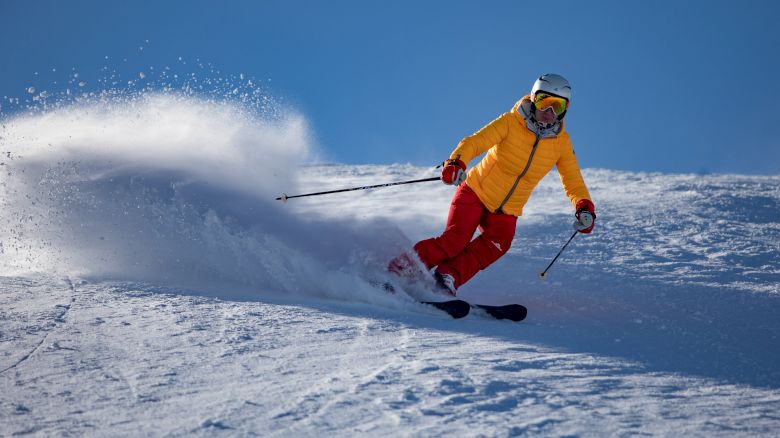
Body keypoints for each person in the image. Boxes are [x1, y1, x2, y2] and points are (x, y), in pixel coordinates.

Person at [388, 73, 596, 295]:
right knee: (455, 241)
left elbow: (573, 179)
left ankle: (447, 277)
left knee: (498, 244)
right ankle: (400, 270)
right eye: (545, 102)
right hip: (476, 192)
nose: (549, 112)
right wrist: (457, 163)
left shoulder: (561, 144)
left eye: (558, 106)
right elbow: (475, 142)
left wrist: (584, 207)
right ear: (534, 99)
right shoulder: (510, 122)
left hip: (507, 210)